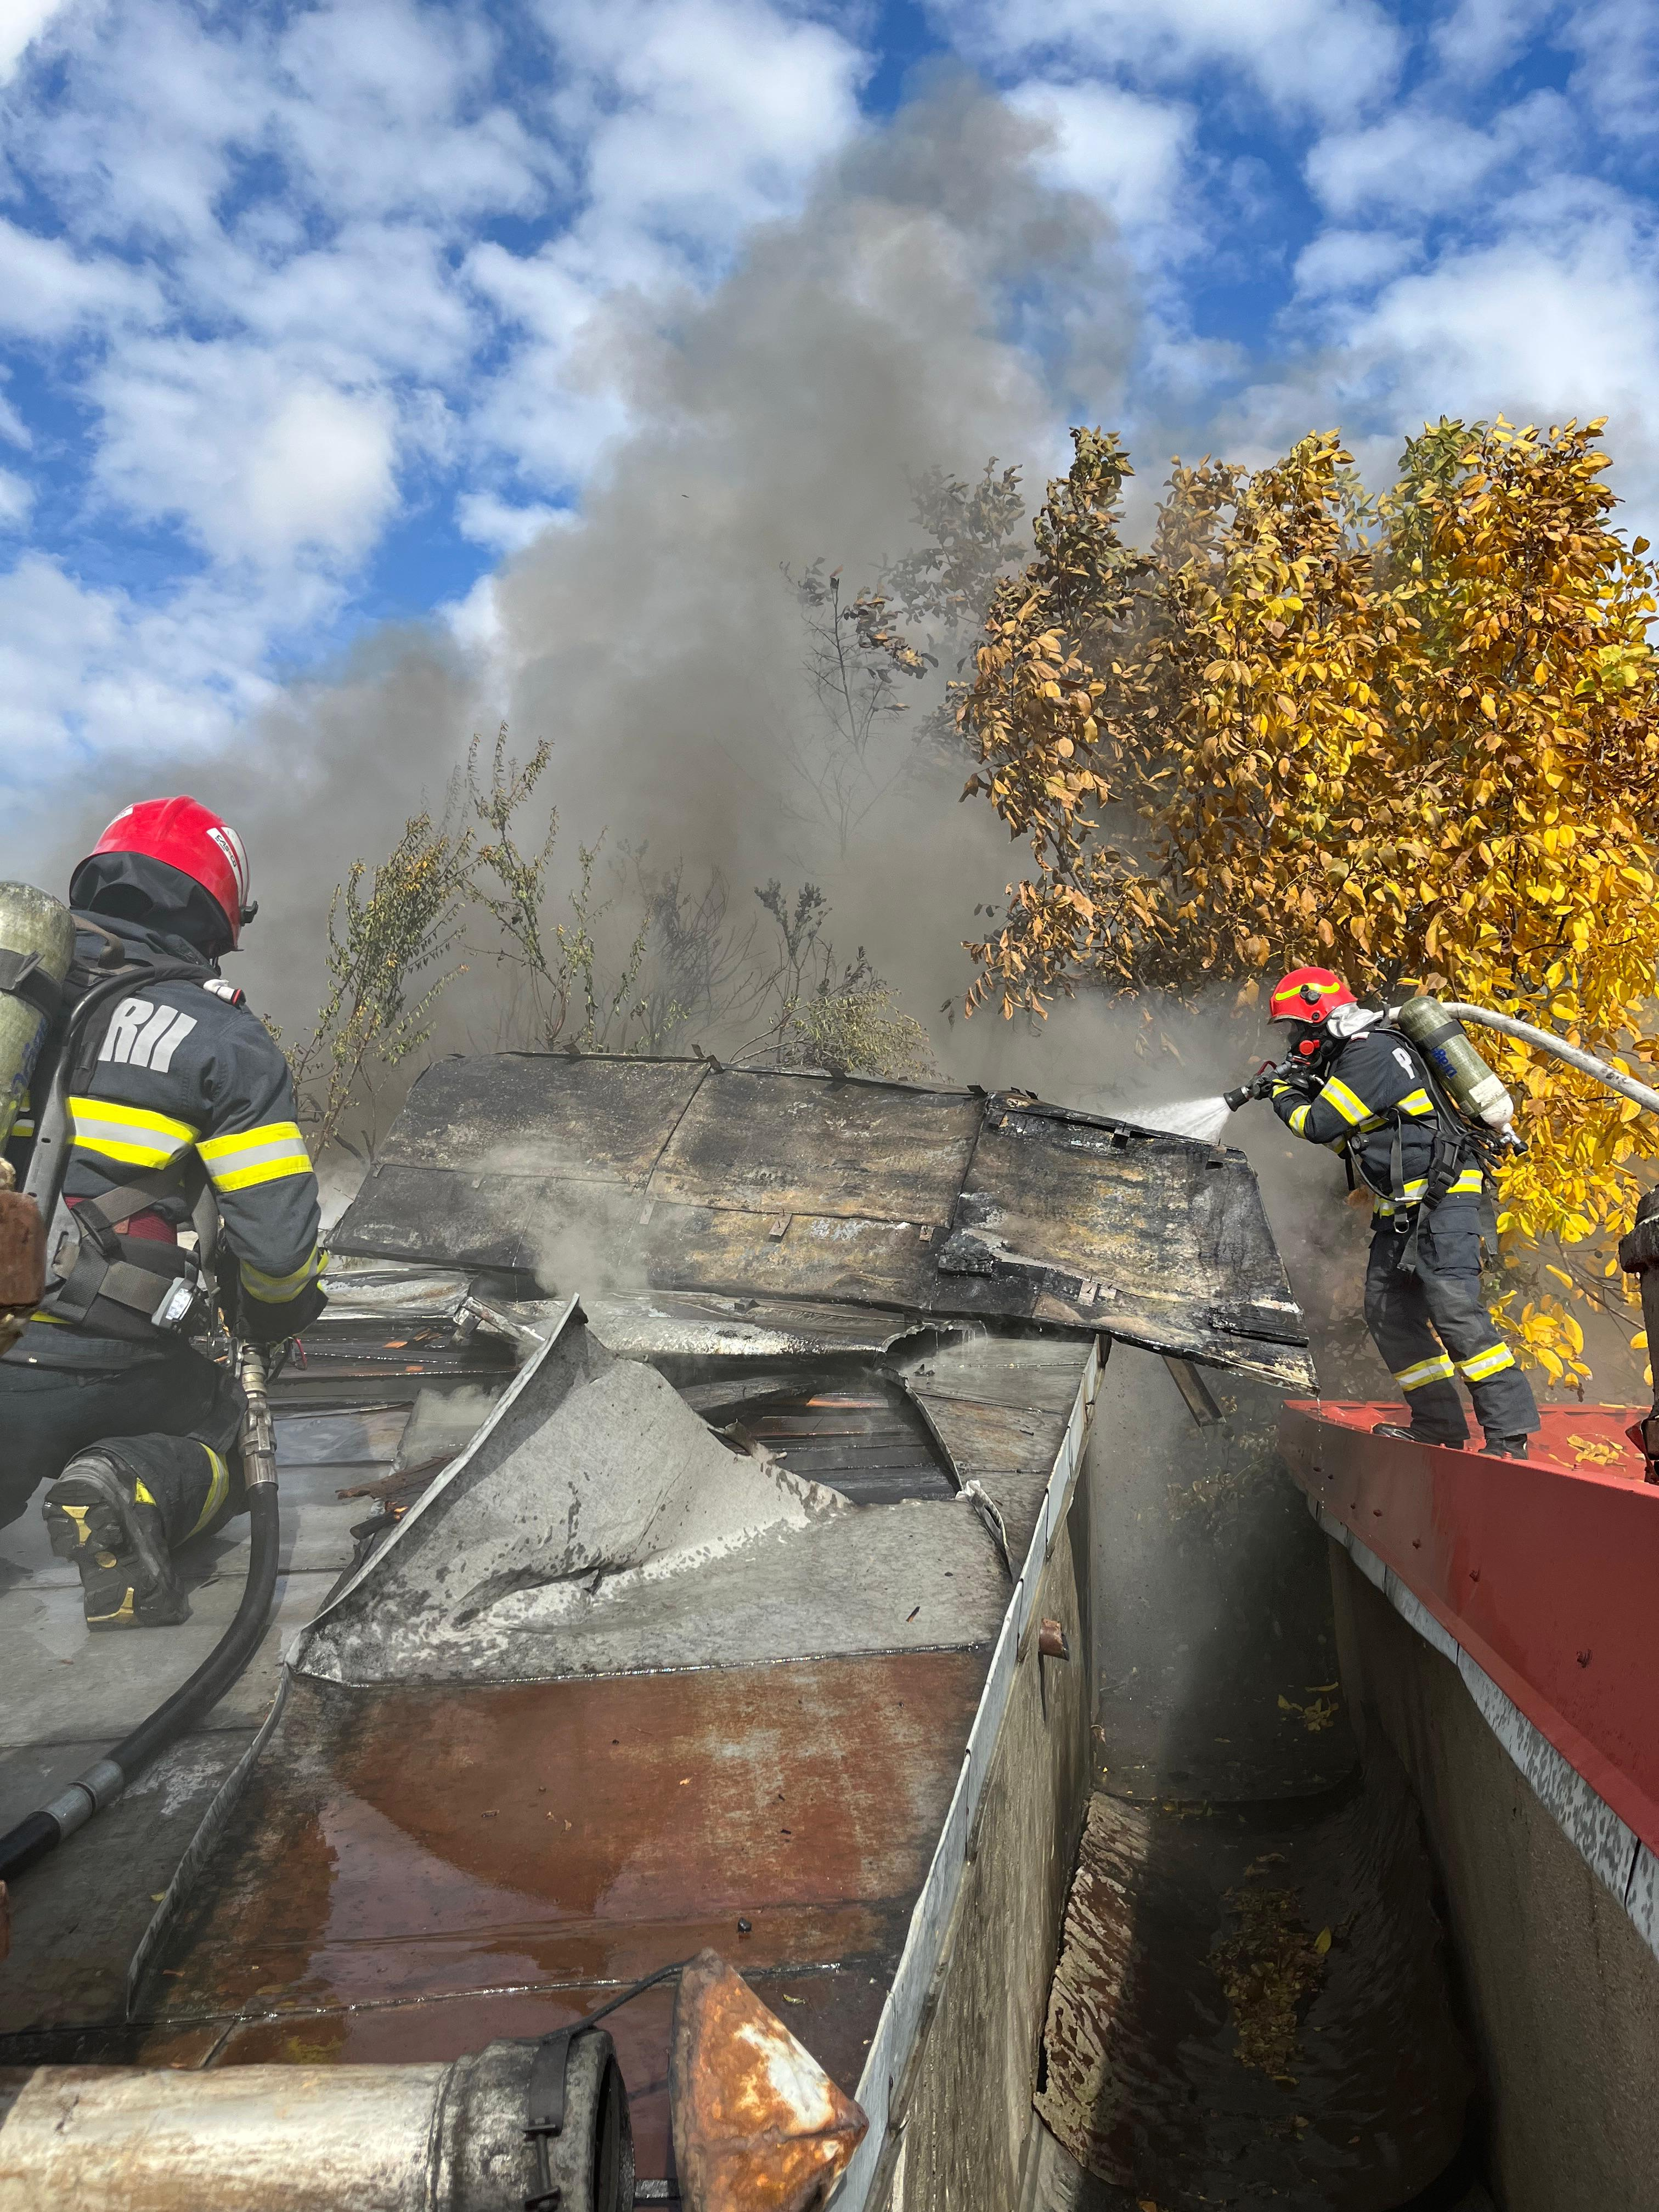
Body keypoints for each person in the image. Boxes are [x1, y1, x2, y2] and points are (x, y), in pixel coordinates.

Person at [0, 798, 325, 1627]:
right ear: (219, 916)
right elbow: (280, 1251)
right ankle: (127, 1482)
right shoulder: (223, 1038)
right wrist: (273, 1316)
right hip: (99, 1356)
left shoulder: (15, 995)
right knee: (222, 1427)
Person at [1262, 966, 1538, 1457]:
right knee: (1387, 1310)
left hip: (1444, 1200)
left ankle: (1509, 1437)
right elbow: (1351, 1141)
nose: (1296, 1041)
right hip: (1404, 1209)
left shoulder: (1372, 1053)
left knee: (1455, 1312)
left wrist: (1283, 1093)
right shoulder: (1352, 1060)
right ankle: (1439, 1426)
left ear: (1319, 1016)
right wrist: (1304, 1085)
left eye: (1298, 1029)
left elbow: (1319, 1125)